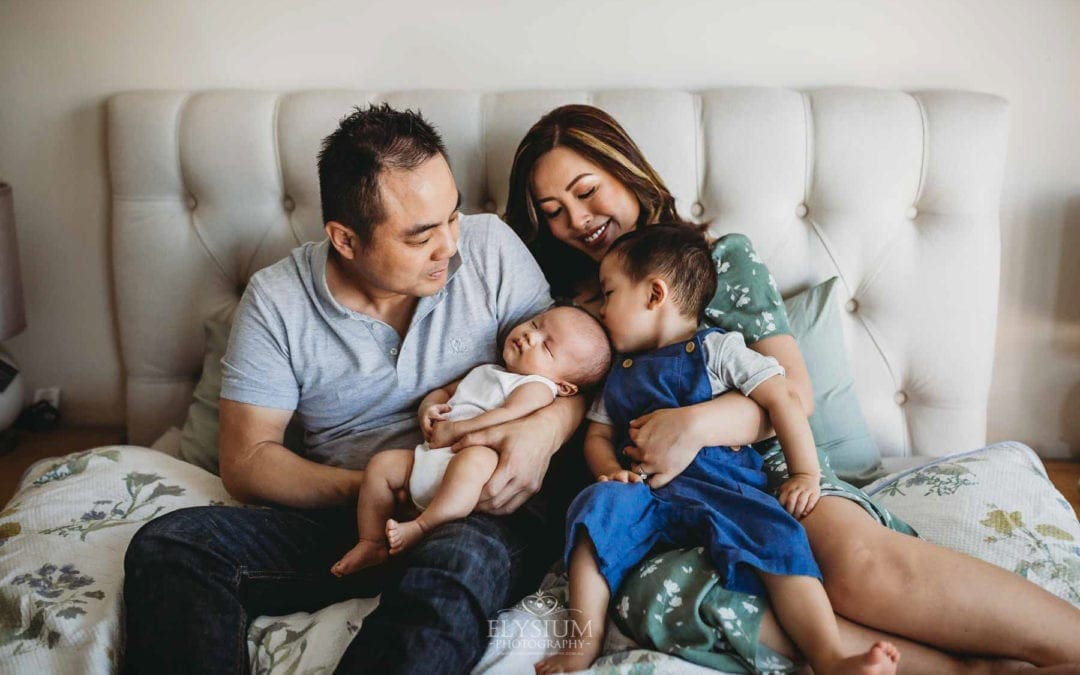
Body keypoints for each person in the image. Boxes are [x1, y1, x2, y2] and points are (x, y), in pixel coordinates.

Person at [506, 104, 1080, 672]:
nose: (577, 219)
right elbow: (569, 405)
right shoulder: (565, 317)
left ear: (627, 172)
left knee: (853, 566)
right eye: (553, 211)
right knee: (710, 597)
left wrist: (694, 426)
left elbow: (791, 393)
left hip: (765, 468)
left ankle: (1066, 644)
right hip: (652, 506)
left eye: (586, 191)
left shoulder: (719, 263)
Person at [122, 104, 589, 674]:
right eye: (421, 236)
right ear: (345, 238)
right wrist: (381, 488)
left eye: (452, 217)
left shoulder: (491, 248)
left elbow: (569, 373)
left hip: (475, 510)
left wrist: (547, 428)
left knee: (458, 562)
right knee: (172, 546)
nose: (450, 246)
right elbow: (246, 460)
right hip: (347, 517)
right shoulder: (277, 301)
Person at [536, 226, 901, 675]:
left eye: (609, 294)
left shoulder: (718, 349)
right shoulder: (619, 371)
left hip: (725, 485)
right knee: (594, 510)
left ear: (654, 294)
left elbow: (782, 398)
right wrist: (611, 471)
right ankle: (582, 644)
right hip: (647, 492)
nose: (603, 311)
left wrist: (804, 474)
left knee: (778, 537)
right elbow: (596, 434)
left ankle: (829, 655)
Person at [332, 305, 610, 576]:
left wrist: (459, 429)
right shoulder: (487, 370)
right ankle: (371, 541)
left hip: (471, 463)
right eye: (536, 324)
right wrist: (428, 408)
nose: (530, 336)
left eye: (547, 347)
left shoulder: (538, 388)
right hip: (432, 458)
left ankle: (421, 527)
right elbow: (444, 391)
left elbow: (507, 414)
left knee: (474, 460)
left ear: (564, 386)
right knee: (382, 465)